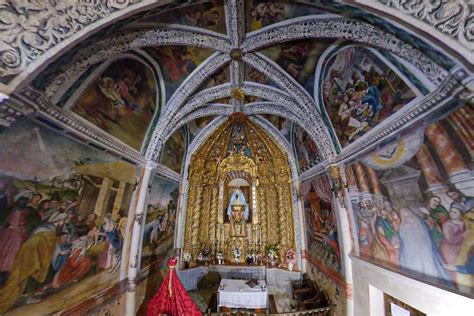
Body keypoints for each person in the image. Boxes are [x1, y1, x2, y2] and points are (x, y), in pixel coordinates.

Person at [0, 213, 68, 312]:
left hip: (31, 252)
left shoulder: (46, 229)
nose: (63, 223)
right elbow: (48, 247)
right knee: (30, 275)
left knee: (25, 276)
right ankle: (29, 297)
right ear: (59, 221)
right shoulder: (50, 232)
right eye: (63, 221)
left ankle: (31, 295)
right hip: (33, 254)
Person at [398, 208, 451, 286]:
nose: (406, 216)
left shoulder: (417, 221)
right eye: (403, 214)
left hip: (424, 248)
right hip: (411, 251)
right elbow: (403, 238)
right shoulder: (402, 225)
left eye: (407, 213)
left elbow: (424, 234)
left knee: (428, 266)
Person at [0, 195, 30, 273]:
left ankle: (8, 268)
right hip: (9, 232)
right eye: (22, 200)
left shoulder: (26, 211)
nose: (23, 202)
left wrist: (23, 228)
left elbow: (26, 222)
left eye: (25, 201)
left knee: (14, 252)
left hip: (19, 234)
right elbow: (6, 220)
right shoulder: (11, 210)